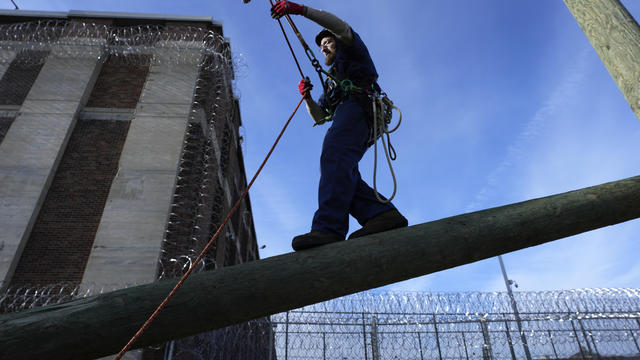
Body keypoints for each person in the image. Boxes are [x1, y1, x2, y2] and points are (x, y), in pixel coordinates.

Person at [271, 1, 408, 251]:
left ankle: (329, 228)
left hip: (359, 105)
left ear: (338, 41)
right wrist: (308, 99)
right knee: (342, 165)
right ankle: (381, 214)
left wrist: (300, 10)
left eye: (328, 42)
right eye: (322, 45)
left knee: (334, 154)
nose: (324, 46)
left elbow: (339, 26)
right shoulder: (332, 82)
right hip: (353, 111)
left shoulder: (353, 52)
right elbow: (321, 117)